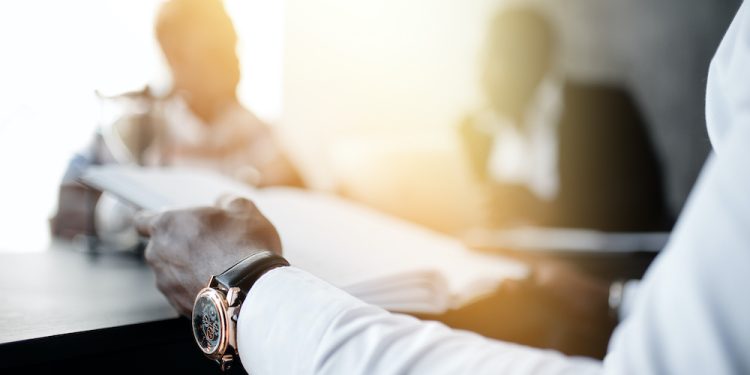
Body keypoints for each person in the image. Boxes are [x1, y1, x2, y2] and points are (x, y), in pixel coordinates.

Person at [138, 2, 750, 374]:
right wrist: (623, 302)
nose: (487, 72)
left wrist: (244, 293)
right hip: (545, 281)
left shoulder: (600, 108)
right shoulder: (474, 130)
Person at [50, 0, 302, 243]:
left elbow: (295, 196)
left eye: (233, 47)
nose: (234, 62)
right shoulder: (138, 125)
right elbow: (69, 203)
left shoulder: (248, 128)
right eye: (215, 54)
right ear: (175, 60)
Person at [460, 8, 670, 231]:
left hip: (600, 263)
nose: (482, 74)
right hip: (511, 259)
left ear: (533, 59)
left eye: (496, 58)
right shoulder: (475, 130)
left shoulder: (604, 108)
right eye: (481, 59)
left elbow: (646, 201)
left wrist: (550, 210)